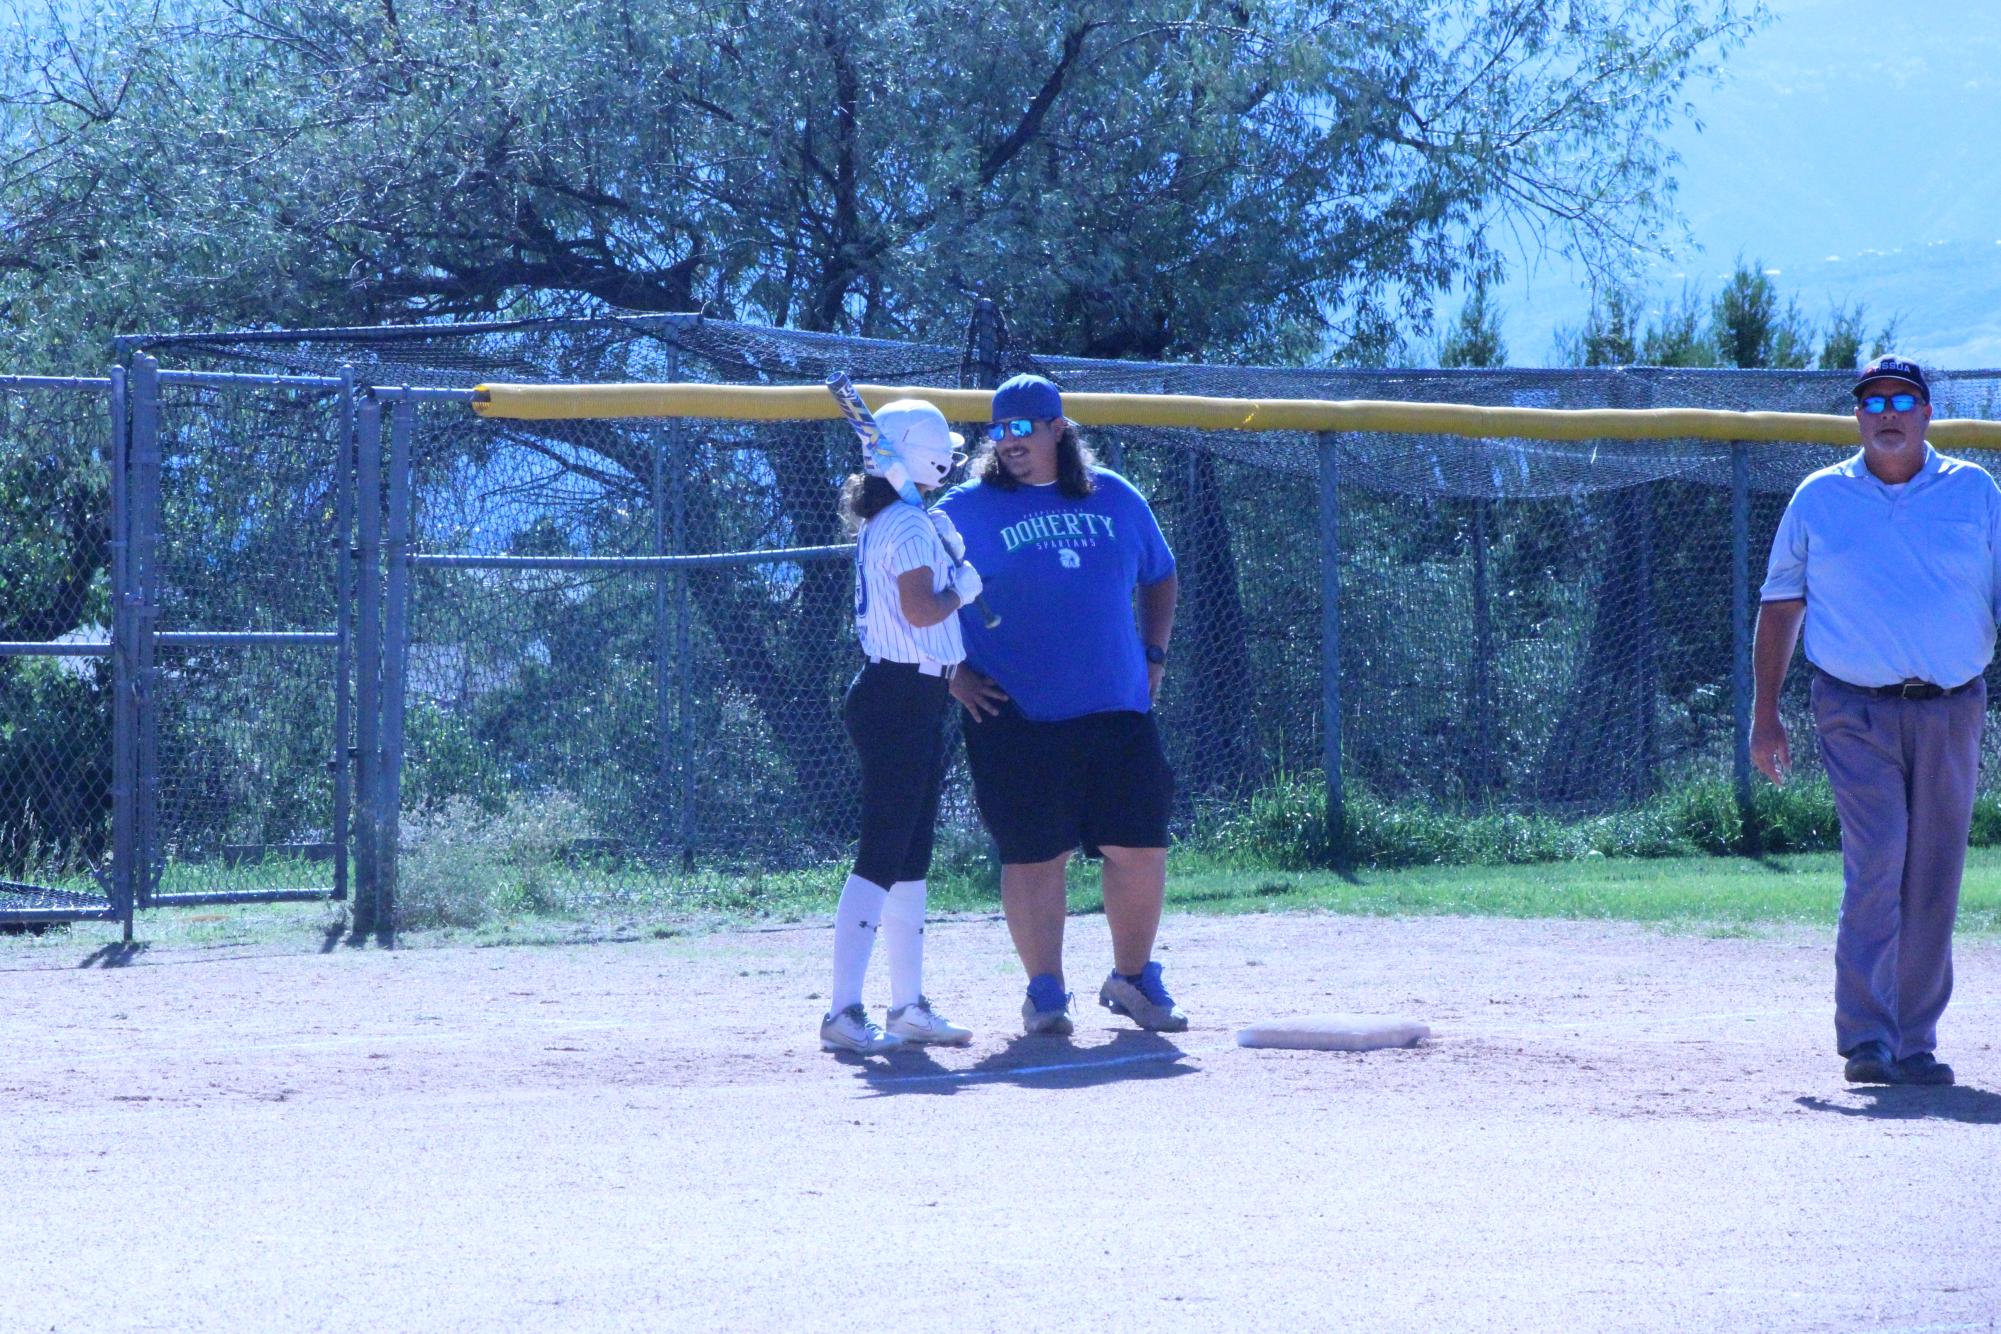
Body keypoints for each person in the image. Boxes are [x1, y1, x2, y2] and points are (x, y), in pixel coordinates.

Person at [1752, 353, 1997, 1087]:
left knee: (1933, 876)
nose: (1886, 414)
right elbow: (1779, 606)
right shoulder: (1818, 498)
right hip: (1852, 707)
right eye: (1873, 402)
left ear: (1926, 415)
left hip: (1952, 707)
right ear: (1857, 418)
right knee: (1879, 856)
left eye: (1901, 401)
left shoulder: (1976, 493)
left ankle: (1913, 1043)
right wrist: (1765, 713)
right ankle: (1865, 1039)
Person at [936, 373, 1184, 1035]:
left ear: (1057, 429)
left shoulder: (1115, 498)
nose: (1010, 441)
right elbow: (911, 594)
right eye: (999, 430)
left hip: (1116, 705)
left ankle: (1131, 979)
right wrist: (951, 671)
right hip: (1015, 711)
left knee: (1138, 846)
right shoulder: (964, 509)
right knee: (1034, 854)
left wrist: (1154, 656)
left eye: (1024, 428)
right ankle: (1045, 991)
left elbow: (1160, 575)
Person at [819, 399, 986, 1055]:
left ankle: (908, 1005)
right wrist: (961, 591)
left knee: (911, 854)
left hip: (912, 691)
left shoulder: (903, 519)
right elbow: (922, 613)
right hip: (897, 692)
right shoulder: (910, 526)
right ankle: (842, 1011)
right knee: (883, 853)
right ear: (920, 453)